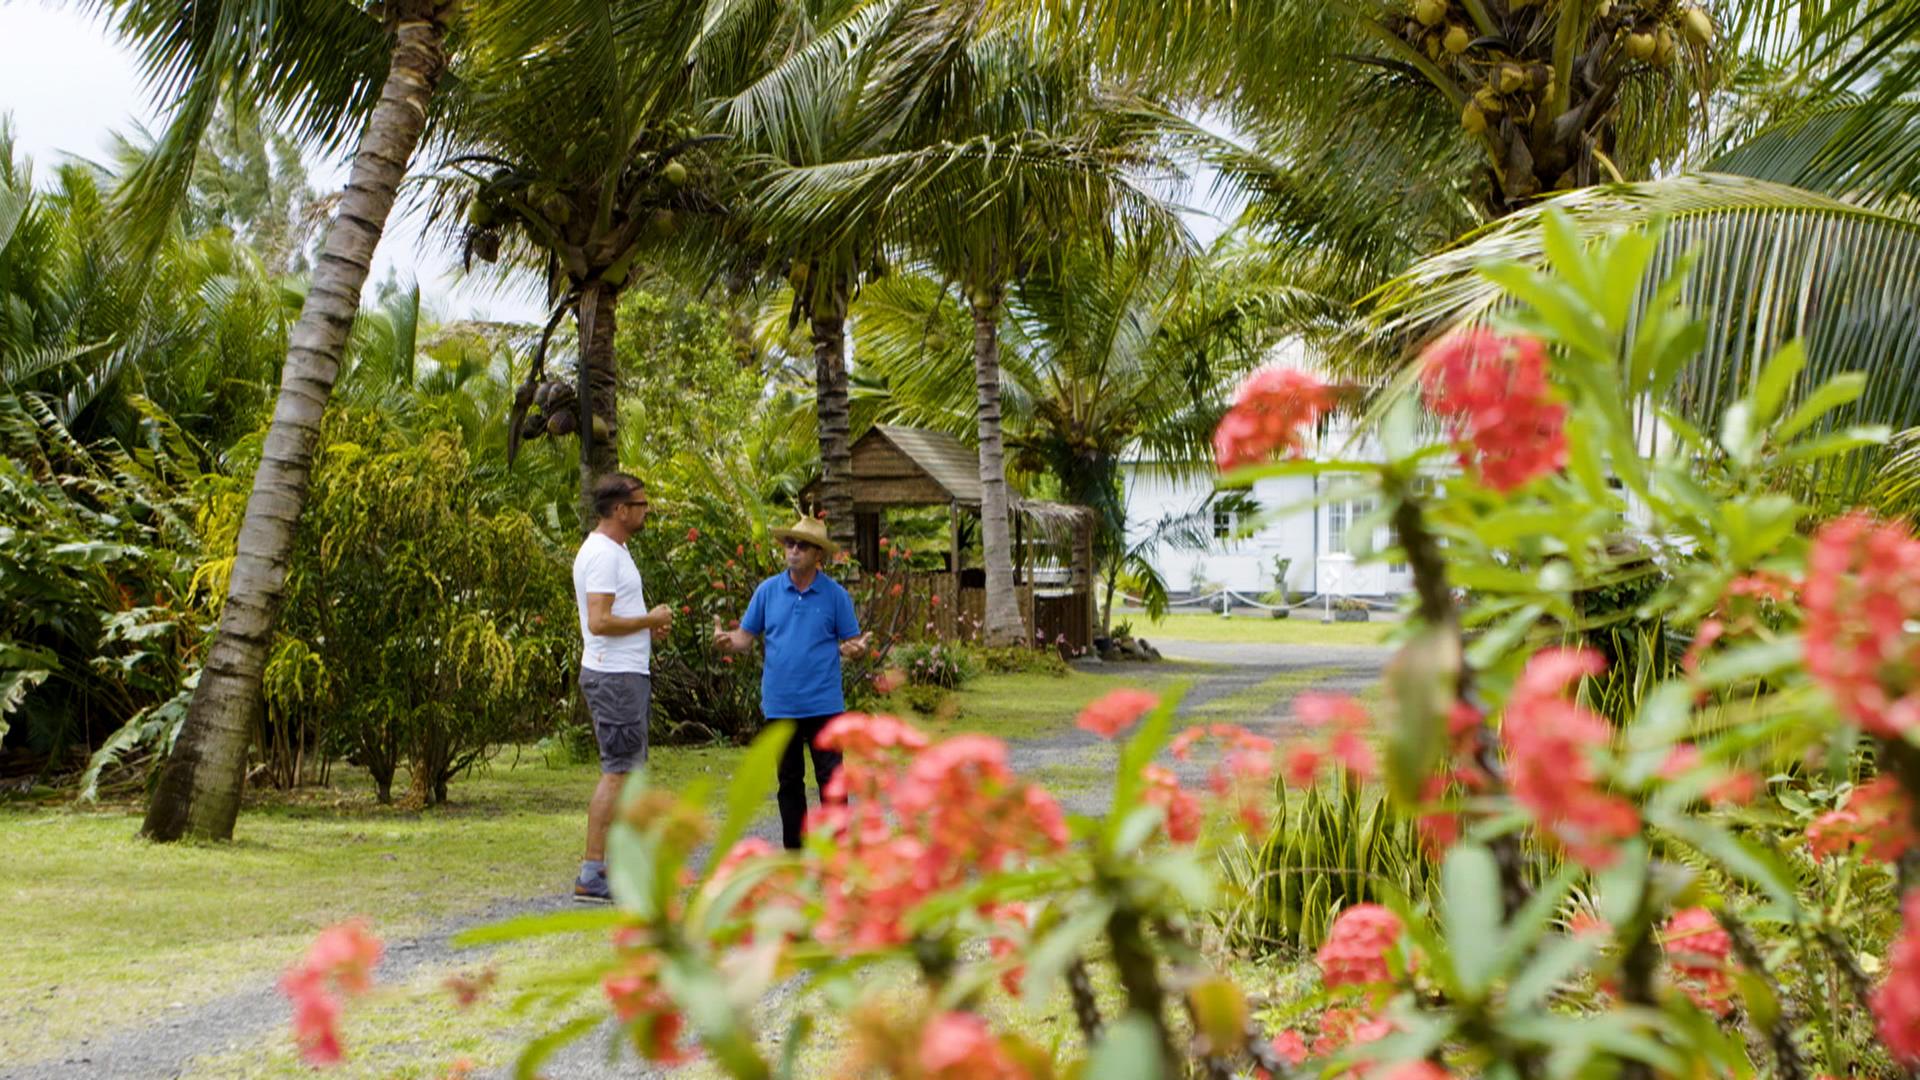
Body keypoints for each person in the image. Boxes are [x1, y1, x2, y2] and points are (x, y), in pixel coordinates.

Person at [713, 516, 870, 849]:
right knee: (789, 782)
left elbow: (852, 642)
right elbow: (745, 637)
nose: (793, 550)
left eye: (802, 546)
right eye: (789, 544)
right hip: (780, 704)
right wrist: (729, 641)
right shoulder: (767, 591)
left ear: (818, 556)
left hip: (825, 705)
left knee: (832, 781)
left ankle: (837, 851)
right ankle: (793, 853)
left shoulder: (835, 596)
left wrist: (857, 650)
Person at [571, 472, 674, 903]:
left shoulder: (617, 551)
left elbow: (616, 614)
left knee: (627, 770)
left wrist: (648, 630)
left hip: (625, 672)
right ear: (620, 509)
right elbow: (599, 621)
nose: (646, 510)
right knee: (617, 772)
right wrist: (649, 620)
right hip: (612, 676)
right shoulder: (602, 555)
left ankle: (615, 867)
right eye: (641, 504)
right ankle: (593, 872)